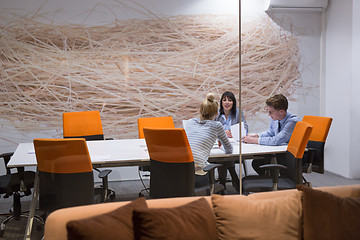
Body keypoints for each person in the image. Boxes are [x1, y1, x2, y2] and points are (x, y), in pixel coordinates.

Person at [241, 93, 300, 175]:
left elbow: (276, 140)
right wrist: (256, 135)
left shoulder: (292, 122)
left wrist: (254, 140)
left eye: (271, 112)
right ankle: (269, 182)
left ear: (281, 111)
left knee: (262, 162)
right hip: (280, 152)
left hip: (290, 156)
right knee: (257, 163)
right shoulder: (276, 117)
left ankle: (276, 182)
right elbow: (271, 132)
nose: (269, 114)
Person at [184, 93, 233, 188]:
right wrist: (221, 147)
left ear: (200, 110)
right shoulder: (217, 125)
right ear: (216, 113)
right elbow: (229, 150)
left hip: (182, 172)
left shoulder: (190, 122)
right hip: (199, 175)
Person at [214, 91, 248, 191]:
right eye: (224, 100)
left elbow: (245, 127)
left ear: (233, 103)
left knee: (227, 154)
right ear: (221, 103)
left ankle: (222, 181)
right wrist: (223, 132)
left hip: (235, 144)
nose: (227, 102)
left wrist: (234, 132)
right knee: (224, 154)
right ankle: (233, 175)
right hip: (221, 144)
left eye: (230, 100)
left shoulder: (238, 113)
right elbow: (212, 129)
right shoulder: (217, 114)